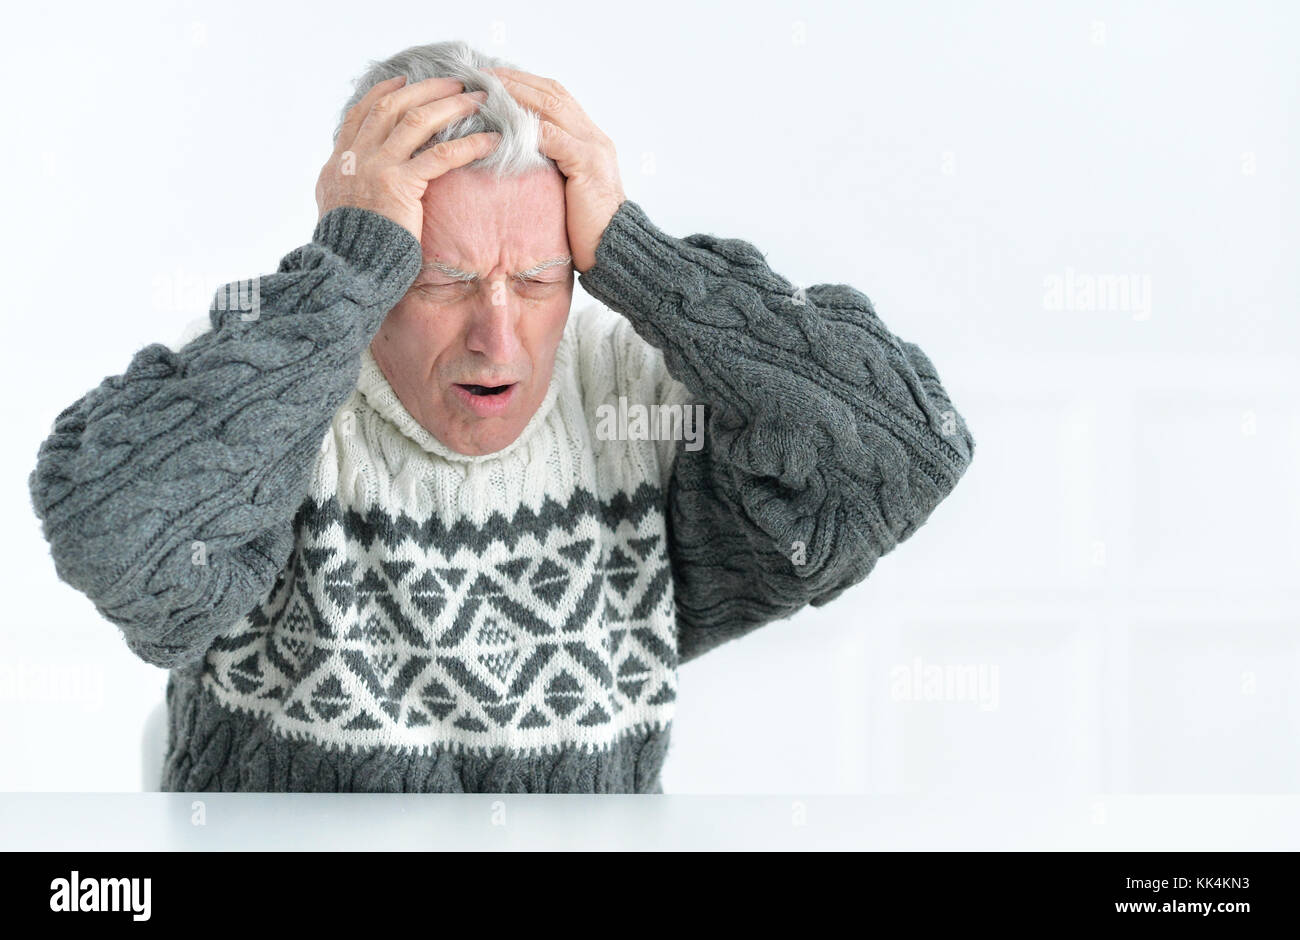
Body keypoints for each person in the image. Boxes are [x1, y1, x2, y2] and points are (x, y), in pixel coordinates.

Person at [28, 40, 976, 792]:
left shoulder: (632, 400)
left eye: (538, 280)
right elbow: (118, 535)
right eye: (439, 280)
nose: (499, 338)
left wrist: (643, 257)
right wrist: (345, 275)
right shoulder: (273, 377)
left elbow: (903, 455)